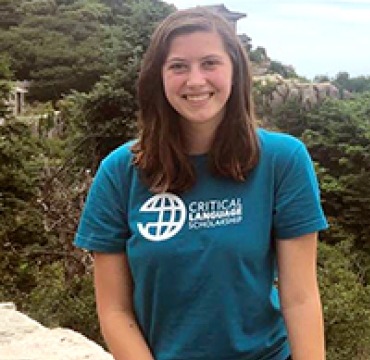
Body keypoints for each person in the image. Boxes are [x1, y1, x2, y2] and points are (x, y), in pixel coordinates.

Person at [74, 8, 327, 360]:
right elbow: (115, 310)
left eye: (210, 63)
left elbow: (299, 298)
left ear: (235, 71)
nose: (195, 81)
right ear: (158, 78)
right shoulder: (120, 173)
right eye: (178, 66)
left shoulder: (283, 161)